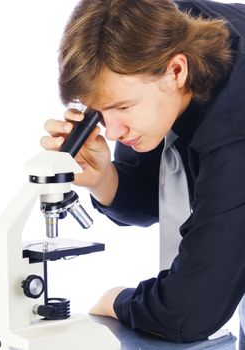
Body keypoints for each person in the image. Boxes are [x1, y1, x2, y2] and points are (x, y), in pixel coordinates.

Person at [40, 0, 245, 343]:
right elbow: (161, 192)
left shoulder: (234, 128)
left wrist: (117, 301)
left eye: (122, 107)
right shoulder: (158, 33)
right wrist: (104, 179)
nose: (113, 131)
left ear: (177, 71)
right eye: (100, 112)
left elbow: (188, 313)